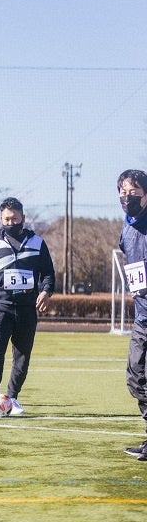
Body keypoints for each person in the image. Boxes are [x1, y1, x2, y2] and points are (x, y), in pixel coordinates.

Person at [0, 197, 55, 416]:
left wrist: (46, 291)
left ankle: (12, 398)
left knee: (22, 357)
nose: (11, 222)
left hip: (26, 311)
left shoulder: (37, 243)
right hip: (0, 308)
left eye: (14, 219)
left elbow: (48, 273)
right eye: (6, 219)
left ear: (23, 217)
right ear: (0, 218)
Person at [117, 169, 147, 461]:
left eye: (134, 192)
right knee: (135, 378)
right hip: (141, 318)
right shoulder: (126, 229)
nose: (128, 198)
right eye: (123, 193)